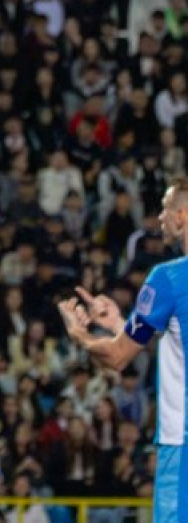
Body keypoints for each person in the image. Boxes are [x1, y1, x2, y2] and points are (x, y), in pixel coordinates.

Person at [57, 178, 188, 522]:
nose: (160, 217)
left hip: (183, 442)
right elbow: (176, 342)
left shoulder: (169, 278)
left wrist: (79, 335)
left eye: (166, 208)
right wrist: (120, 325)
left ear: (182, 215)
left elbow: (117, 357)